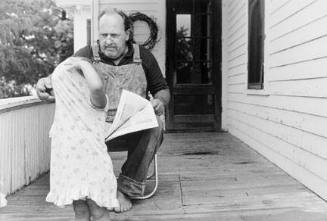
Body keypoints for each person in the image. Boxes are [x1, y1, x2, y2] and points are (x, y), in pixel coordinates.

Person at [36, 8, 170, 213]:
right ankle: (82, 190)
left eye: (114, 35)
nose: (108, 40)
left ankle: (125, 189)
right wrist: (45, 82)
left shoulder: (143, 56)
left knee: (156, 124)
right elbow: (62, 74)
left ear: (127, 34)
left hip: (131, 129)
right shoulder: (87, 54)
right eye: (103, 35)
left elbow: (162, 90)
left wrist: (160, 101)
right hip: (96, 132)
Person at [46, 57, 119, 221]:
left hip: (92, 164)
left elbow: (97, 87)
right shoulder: (68, 103)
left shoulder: (97, 101)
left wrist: (83, 64)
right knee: (80, 211)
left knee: (98, 210)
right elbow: (52, 89)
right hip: (71, 165)